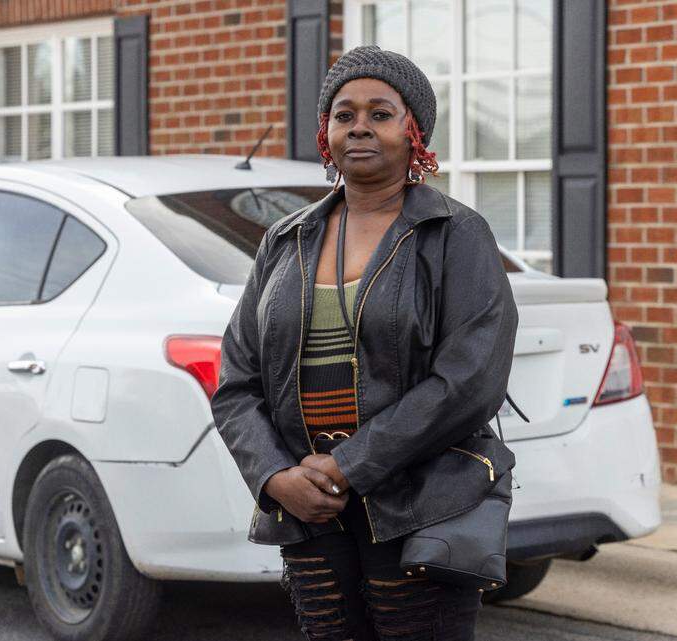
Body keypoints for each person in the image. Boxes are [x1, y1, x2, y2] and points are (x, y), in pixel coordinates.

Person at [211, 45, 519, 641]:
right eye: (344, 114)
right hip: (311, 512)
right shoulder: (285, 240)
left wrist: (350, 465)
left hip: (420, 500)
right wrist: (276, 477)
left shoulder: (456, 235)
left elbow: (470, 380)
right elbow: (236, 382)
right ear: (326, 133)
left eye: (381, 113)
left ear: (414, 131)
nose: (360, 127)